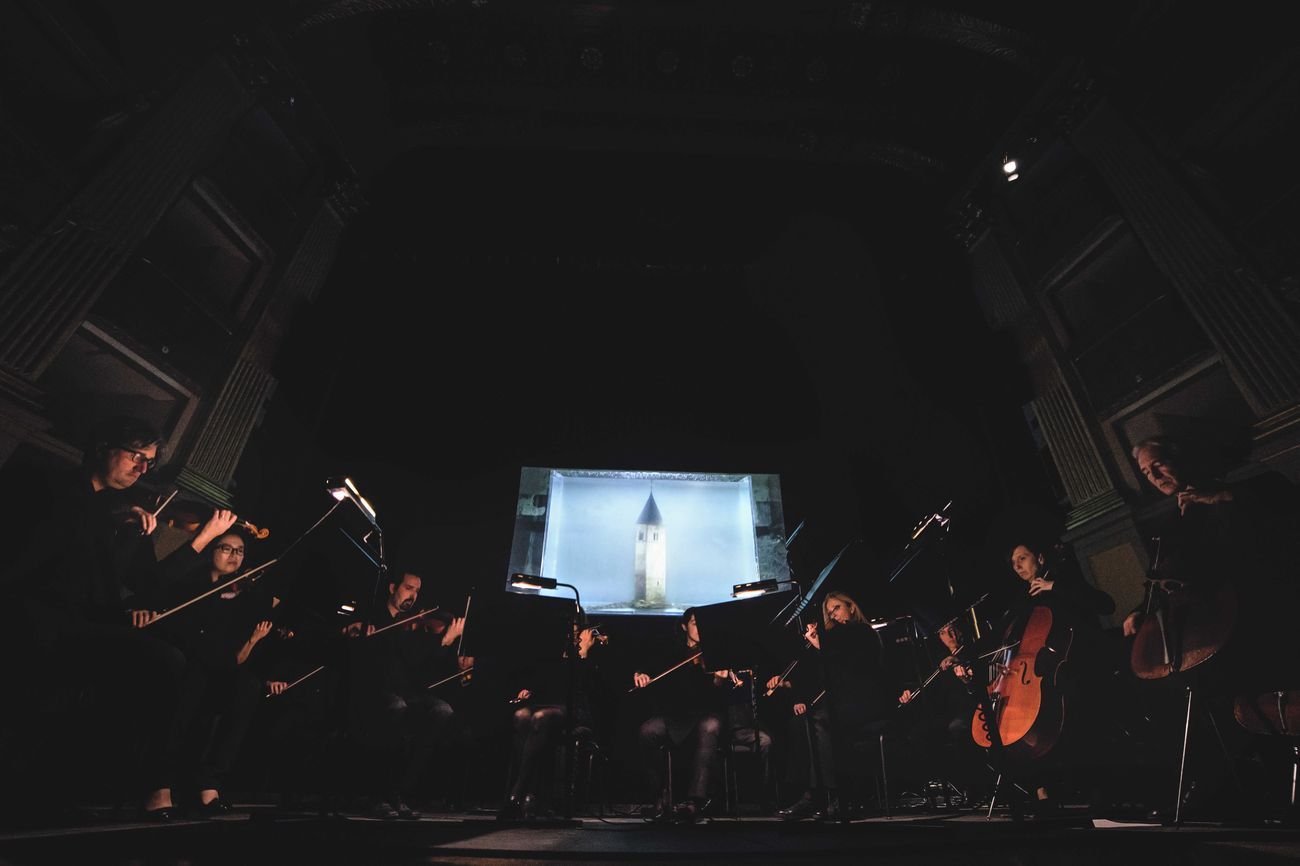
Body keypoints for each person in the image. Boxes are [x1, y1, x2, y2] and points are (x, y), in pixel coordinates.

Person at [2, 416, 237, 819]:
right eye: (135, 456)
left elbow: (154, 586)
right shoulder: (49, 486)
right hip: (31, 613)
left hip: (84, 625)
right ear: (103, 449)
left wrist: (196, 540)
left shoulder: (126, 519)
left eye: (148, 462)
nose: (142, 468)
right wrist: (114, 522)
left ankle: (140, 783)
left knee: (168, 661)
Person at [347, 571, 465, 818]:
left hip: (407, 691)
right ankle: (378, 794)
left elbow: (421, 666)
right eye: (408, 588)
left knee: (442, 711)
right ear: (393, 588)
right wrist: (357, 634)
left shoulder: (415, 623)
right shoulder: (371, 615)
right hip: (374, 690)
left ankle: (400, 790)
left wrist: (445, 642)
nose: (412, 596)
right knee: (396, 708)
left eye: (416, 591)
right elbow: (359, 659)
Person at [632, 608, 731, 823]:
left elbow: (718, 697)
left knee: (711, 726)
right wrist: (641, 675)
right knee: (647, 731)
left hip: (704, 714)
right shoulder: (671, 651)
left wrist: (719, 681)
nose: (700, 627)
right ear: (684, 626)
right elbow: (649, 669)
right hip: (674, 715)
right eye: (695, 623)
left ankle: (695, 801)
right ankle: (660, 795)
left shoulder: (715, 653)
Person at [499, 623, 606, 819]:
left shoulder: (592, 651)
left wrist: (583, 655)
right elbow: (545, 682)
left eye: (576, 628)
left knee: (541, 717)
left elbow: (588, 691)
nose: (573, 632)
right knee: (521, 715)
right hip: (548, 705)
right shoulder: (554, 649)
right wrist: (529, 690)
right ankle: (533, 794)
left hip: (576, 711)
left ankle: (518, 794)